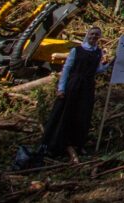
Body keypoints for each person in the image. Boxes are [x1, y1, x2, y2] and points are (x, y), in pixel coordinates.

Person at [41, 25, 112, 163]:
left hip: (87, 86)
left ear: (99, 37)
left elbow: (96, 70)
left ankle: (78, 144)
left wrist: (109, 65)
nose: (94, 37)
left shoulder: (98, 52)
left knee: (83, 114)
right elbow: (67, 69)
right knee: (65, 113)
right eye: (92, 34)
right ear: (87, 35)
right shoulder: (76, 50)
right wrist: (61, 88)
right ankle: (55, 145)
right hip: (73, 84)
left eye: (97, 35)